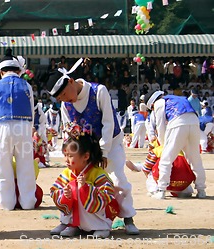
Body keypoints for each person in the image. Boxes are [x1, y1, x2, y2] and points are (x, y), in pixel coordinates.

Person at [45, 58, 139, 235]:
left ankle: (128, 218)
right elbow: (68, 131)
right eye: (60, 98)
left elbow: (108, 123)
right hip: (84, 151)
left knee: (117, 180)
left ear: (71, 82)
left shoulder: (99, 91)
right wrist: (69, 153)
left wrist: (103, 152)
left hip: (110, 144)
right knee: (74, 182)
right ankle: (69, 221)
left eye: (65, 95)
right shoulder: (66, 104)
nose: (65, 100)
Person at [0, 49, 37, 211]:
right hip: (23, 127)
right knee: (25, 166)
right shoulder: (27, 85)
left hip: (2, 128)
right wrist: (29, 130)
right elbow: (32, 110)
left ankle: (6, 203)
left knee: (3, 167)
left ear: (1, 72)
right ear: (18, 71)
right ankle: (28, 202)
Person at [50, 122, 120, 238]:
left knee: (78, 188)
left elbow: (108, 194)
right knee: (71, 189)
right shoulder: (67, 173)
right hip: (77, 213)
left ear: (86, 156)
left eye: (71, 156)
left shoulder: (97, 173)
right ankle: (72, 224)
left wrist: (86, 188)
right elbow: (54, 190)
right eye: (65, 155)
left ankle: (101, 226)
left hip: (98, 214)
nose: (66, 160)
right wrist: (64, 194)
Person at [145, 91, 206, 199]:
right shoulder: (178, 98)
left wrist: (163, 145)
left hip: (177, 123)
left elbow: (160, 126)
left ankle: (161, 190)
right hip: (194, 122)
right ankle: (201, 190)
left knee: (166, 159)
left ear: (152, 104)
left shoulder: (159, 103)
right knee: (195, 158)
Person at [126, 140, 195, 198]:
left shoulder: (157, 150)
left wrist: (148, 175)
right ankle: (185, 191)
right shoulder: (181, 149)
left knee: (152, 171)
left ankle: (154, 190)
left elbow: (146, 168)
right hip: (183, 183)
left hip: (164, 181)